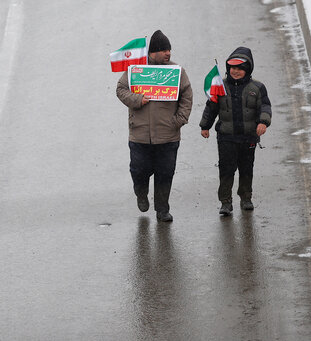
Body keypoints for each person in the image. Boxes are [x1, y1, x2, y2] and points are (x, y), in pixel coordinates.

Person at [116, 30, 193, 222]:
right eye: (164, 50)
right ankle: (141, 193)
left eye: (169, 50)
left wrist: (178, 120)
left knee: (165, 173)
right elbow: (120, 89)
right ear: (153, 52)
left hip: (168, 135)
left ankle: (162, 209)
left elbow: (187, 96)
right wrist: (137, 99)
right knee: (139, 170)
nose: (168, 53)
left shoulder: (177, 72)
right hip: (140, 135)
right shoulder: (136, 70)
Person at [199, 46, 271, 216]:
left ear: (247, 69)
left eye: (239, 68)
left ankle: (246, 198)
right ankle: (225, 201)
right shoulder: (220, 86)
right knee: (226, 169)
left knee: (246, 168)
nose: (235, 71)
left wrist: (263, 122)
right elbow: (212, 107)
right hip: (226, 137)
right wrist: (205, 126)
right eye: (232, 68)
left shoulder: (257, 88)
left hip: (248, 137)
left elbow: (265, 107)